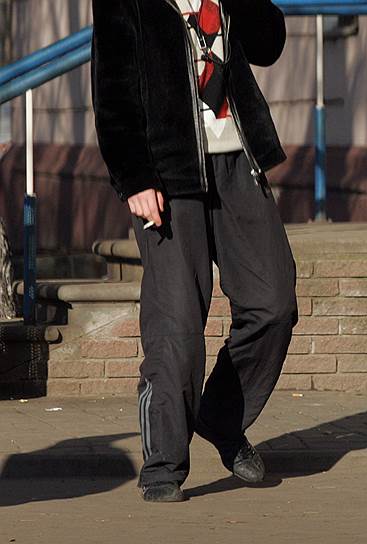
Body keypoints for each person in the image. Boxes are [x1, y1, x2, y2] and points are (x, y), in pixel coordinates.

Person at [91, 0, 296, 502]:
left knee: (273, 302)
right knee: (177, 321)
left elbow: (268, 44)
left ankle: (220, 417)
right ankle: (163, 462)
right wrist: (134, 178)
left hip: (237, 161)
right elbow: (112, 90)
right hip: (167, 173)